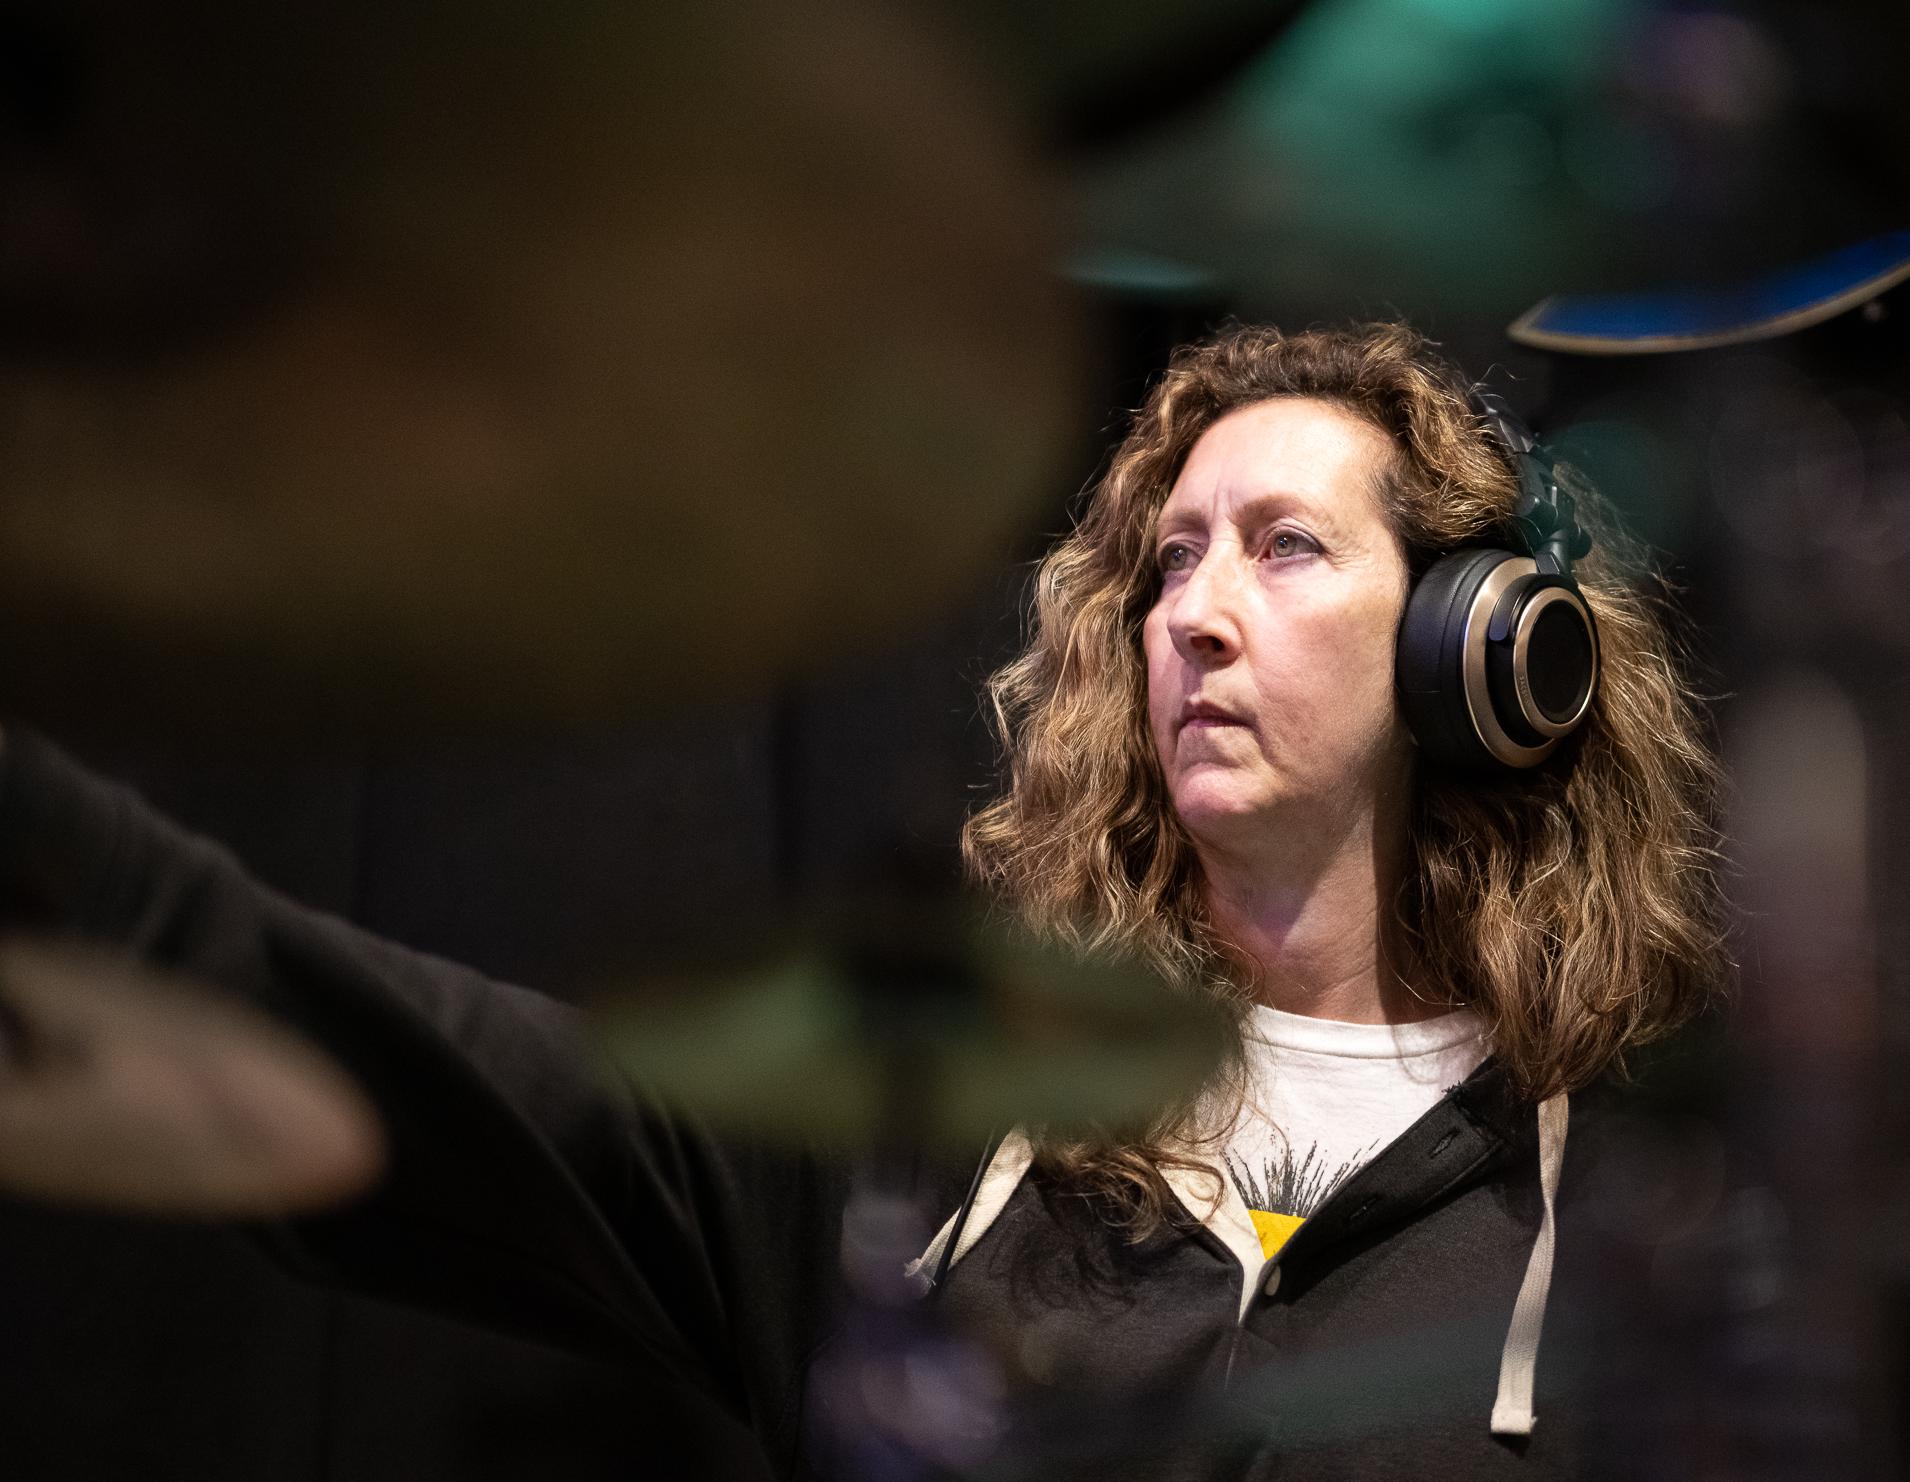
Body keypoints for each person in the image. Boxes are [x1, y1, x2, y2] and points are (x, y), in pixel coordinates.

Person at [0, 323, 1725, 1478]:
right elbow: (391, 1059)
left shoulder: (1627, 1231)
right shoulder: (925, 1141)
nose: (1194, 614)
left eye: (1284, 546)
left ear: (1473, 649)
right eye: (1171, 557)